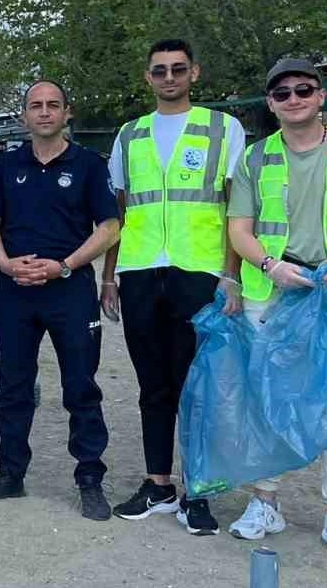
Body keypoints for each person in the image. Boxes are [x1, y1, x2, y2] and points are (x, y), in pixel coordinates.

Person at [102, 39, 246, 535]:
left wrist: (232, 275)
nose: (169, 77)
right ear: (147, 77)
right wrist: (108, 276)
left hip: (198, 271)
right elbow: (120, 212)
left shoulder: (222, 129)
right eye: (159, 70)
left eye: (178, 69)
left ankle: (198, 492)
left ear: (194, 73)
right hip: (141, 272)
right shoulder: (129, 134)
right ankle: (158, 484)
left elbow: (235, 209)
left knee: (198, 387)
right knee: (152, 385)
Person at [0, 81, 120, 521]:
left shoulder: (90, 165)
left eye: (53, 105)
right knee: (12, 386)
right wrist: (5, 263)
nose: (44, 112)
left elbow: (109, 228)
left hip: (69, 289)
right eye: (35, 105)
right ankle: (10, 473)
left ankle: (89, 478)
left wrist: (65, 265)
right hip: (16, 289)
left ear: (67, 113)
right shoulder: (8, 165)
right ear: (24, 116)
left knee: (81, 386)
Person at [224, 57, 327, 545]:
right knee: (264, 398)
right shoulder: (254, 157)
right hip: (272, 288)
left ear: (320, 96)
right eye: (282, 93)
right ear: (271, 103)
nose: (293, 99)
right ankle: (266, 503)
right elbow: (238, 229)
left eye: (303, 90)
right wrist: (271, 266)